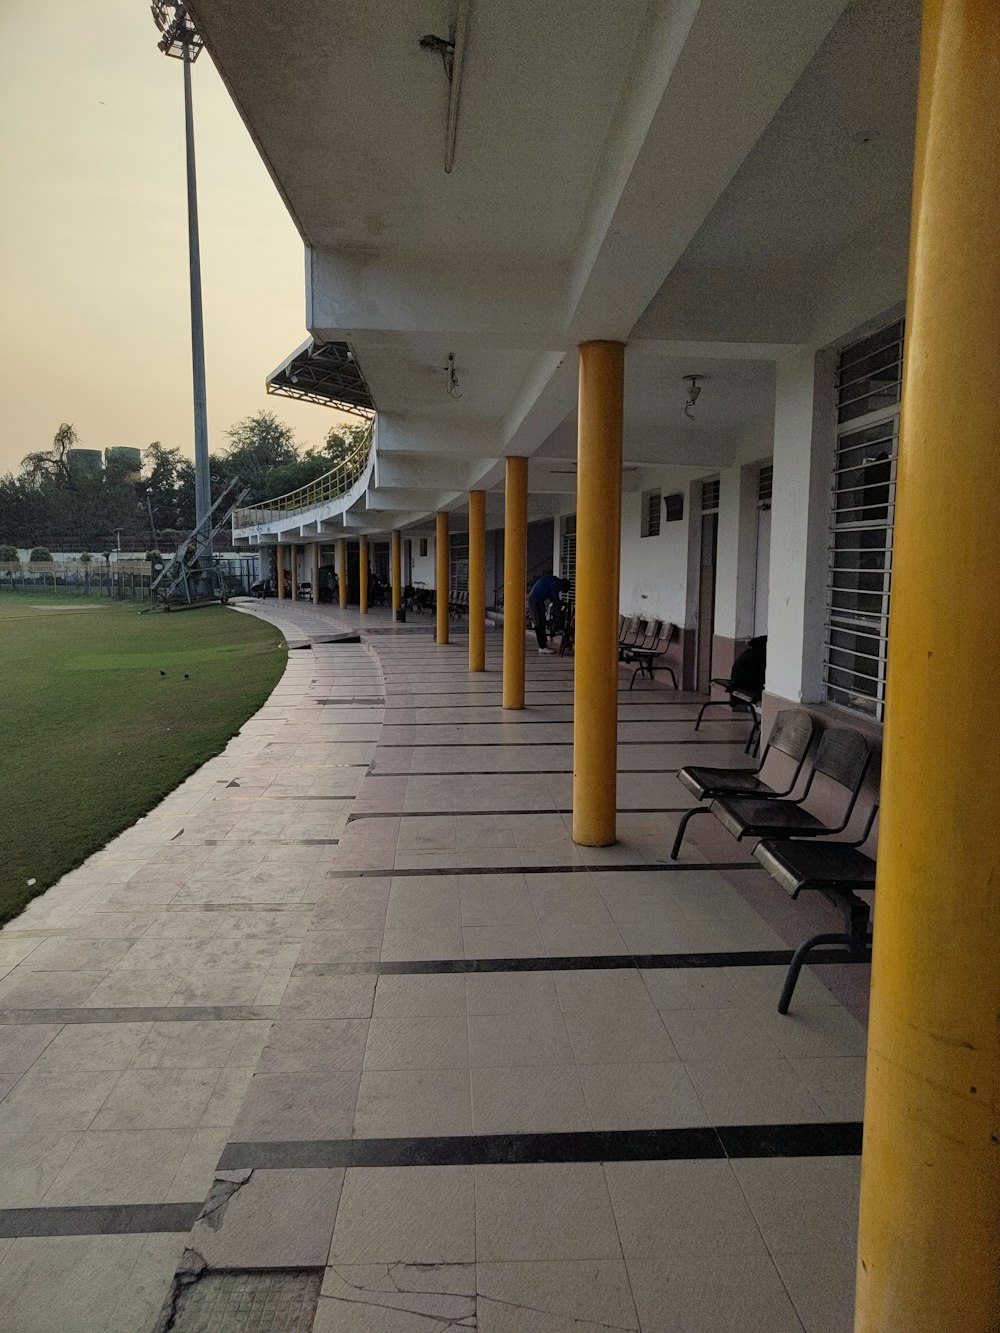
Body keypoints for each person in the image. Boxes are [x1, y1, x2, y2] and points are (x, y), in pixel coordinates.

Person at [528, 574, 571, 653]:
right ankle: (542, 647)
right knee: (539, 623)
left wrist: (560, 604)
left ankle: (544, 645)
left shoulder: (553, 581)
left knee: (542, 622)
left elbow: (554, 598)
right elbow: (555, 600)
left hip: (538, 600)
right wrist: (559, 615)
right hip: (534, 600)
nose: (561, 591)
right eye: (563, 590)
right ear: (563, 586)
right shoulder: (556, 584)